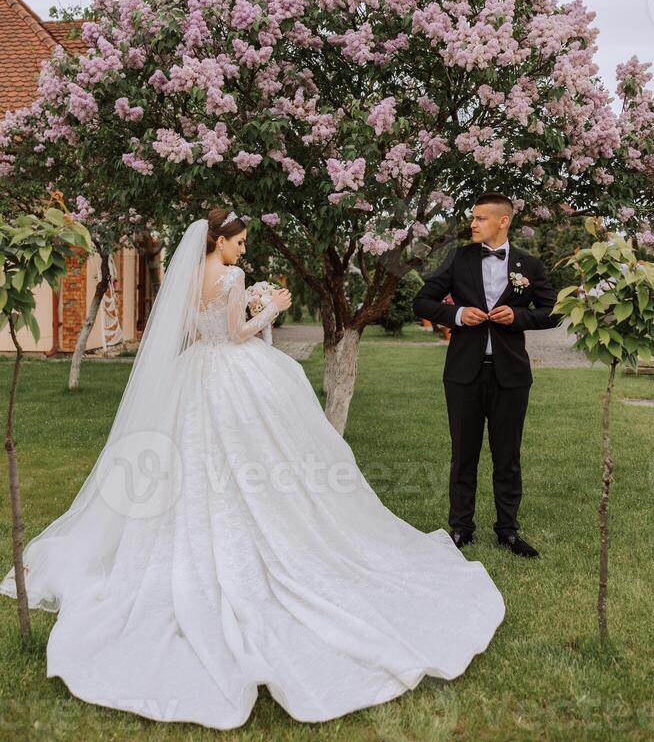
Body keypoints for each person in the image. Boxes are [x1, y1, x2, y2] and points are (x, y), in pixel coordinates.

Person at [1, 208, 505, 730]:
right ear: (219, 242)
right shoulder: (233, 276)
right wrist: (274, 308)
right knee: (261, 462)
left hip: (193, 375)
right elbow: (239, 333)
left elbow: (197, 336)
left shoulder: (185, 276)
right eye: (238, 242)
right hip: (233, 374)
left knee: (190, 462)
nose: (242, 250)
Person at [413, 192, 559, 559]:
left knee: (507, 455)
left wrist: (519, 317)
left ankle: (508, 531)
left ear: (502, 221)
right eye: (472, 218)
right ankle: (461, 528)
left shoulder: (530, 265)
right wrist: (458, 315)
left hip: (511, 375)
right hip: (463, 374)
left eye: (479, 218)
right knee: (463, 454)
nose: (473, 224)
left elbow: (553, 310)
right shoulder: (459, 259)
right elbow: (423, 301)